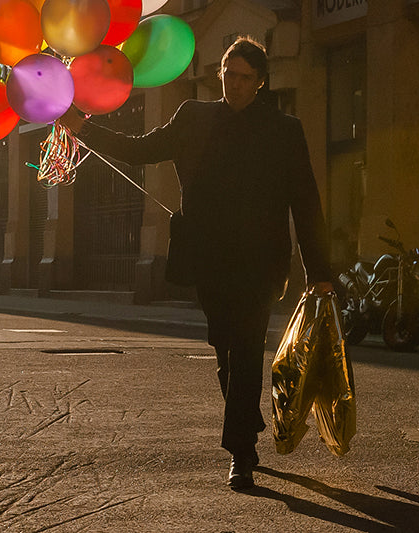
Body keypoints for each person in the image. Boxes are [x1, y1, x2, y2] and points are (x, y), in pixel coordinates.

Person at [61, 35, 332, 491]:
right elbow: (140, 149)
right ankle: (245, 419)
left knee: (247, 347)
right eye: (230, 75)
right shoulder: (194, 118)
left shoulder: (285, 131)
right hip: (210, 259)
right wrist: (84, 128)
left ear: (261, 82)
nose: (236, 85)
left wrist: (320, 272)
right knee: (225, 349)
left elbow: (305, 202)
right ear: (219, 74)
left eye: (247, 78)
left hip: (262, 264)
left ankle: (241, 451)